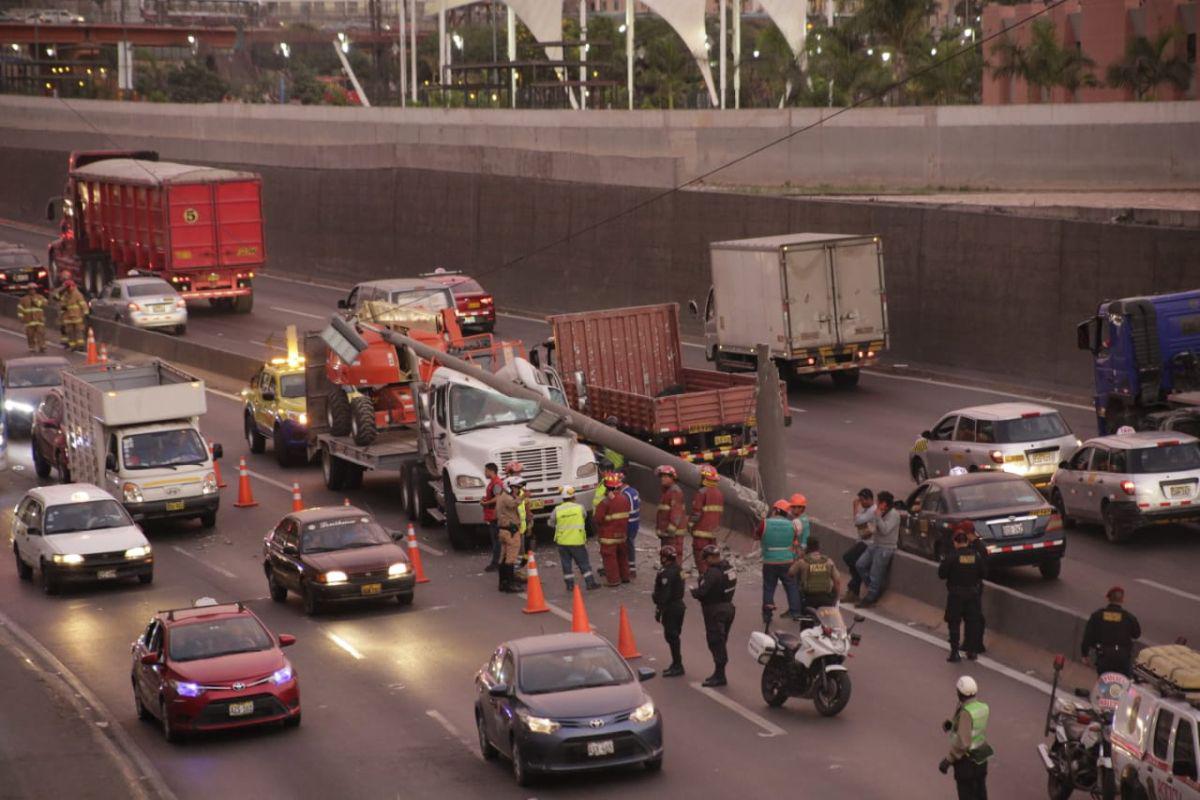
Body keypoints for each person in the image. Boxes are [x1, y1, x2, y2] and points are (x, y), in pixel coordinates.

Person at [939, 521, 988, 663]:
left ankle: (955, 653)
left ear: (955, 542)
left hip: (956, 594)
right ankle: (972, 651)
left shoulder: (952, 556)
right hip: (973, 594)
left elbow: (942, 574)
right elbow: (984, 573)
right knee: (972, 622)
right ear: (966, 541)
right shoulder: (976, 556)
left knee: (954, 623)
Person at [938, 675, 993, 800]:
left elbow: (963, 742)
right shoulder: (982, 707)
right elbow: (972, 726)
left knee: (967, 795)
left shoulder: (966, 713)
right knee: (981, 793)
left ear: (960, 693)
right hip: (981, 759)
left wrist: (948, 760)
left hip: (967, 764)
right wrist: (952, 724)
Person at [692, 543, 737, 687]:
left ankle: (720, 675)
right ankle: (718, 673)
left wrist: (694, 591)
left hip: (716, 610)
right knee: (721, 641)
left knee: (716, 642)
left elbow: (702, 592)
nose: (705, 562)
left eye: (706, 559)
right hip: (728, 608)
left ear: (710, 558)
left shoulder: (713, 573)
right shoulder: (729, 568)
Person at [1081, 586, 1142, 676]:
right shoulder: (1128, 617)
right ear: (1122, 600)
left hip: (1104, 658)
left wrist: (1084, 654)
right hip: (1122, 658)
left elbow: (1088, 637)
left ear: (1109, 599)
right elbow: (1137, 634)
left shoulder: (1097, 615)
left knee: (1104, 680)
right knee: (1124, 680)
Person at [855, 490, 899, 609]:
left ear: (884, 504)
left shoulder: (894, 515)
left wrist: (878, 517)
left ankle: (871, 597)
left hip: (886, 547)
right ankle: (874, 588)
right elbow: (874, 527)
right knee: (860, 565)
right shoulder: (879, 512)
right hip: (875, 544)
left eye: (878, 502)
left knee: (875, 572)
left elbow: (885, 530)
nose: (877, 504)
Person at [760, 500, 803, 619]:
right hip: (787, 561)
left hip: (769, 561)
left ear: (776, 510)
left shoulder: (765, 523)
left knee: (769, 587)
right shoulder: (792, 525)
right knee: (791, 586)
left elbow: (757, 535)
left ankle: (767, 614)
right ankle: (795, 612)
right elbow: (794, 540)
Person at [551, 486, 598, 591]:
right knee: (583, 563)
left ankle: (569, 585)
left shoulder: (557, 510)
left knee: (566, 564)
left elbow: (551, 523)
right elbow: (584, 517)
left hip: (562, 542)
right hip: (577, 541)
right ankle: (590, 583)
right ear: (573, 496)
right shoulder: (580, 508)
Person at [652, 545, 686, 677]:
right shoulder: (680, 569)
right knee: (674, 635)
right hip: (679, 606)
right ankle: (676, 663)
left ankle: (678, 665)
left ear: (665, 558)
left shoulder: (666, 573)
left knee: (671, 636)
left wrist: (658, 608)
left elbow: (664, 594)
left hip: (671, 607)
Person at [594, 471, 632, 587]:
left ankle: (614, 580)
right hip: (622, 534)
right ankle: (625, 577)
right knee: (622, 556)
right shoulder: (625, 499)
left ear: (607, 487)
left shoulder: (605, 502)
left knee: (609, 558)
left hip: (608, 536)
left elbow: (598, 519)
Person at [788, 536, 843, 611]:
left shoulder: (802, 562)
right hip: (826, 600)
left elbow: (790, 573)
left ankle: (794, 610)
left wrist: (799, 557)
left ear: (807, 547)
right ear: (819, 547)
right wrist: (836, 599)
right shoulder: (828, 561)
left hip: (808, 599)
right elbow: (837, 581)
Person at [688, 464, 724, 575]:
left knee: (701, 559)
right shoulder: (719, 494)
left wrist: (690, 525)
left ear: (704, 477)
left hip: (701, 534)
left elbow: (696, 513)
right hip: (713, 534)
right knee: (713, 559)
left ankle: (704, 580)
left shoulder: (702, 492)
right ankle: (713, 580)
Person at [842, 488, 875, 603]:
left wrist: (855, 507)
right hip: (862, 541)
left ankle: (854, 588)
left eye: (862, 500)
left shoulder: (872, 510)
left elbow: (857, 521)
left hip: (868, 543)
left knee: (848, 558)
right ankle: (853, 590)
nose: (861, 503)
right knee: (852, 562)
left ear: (869, 499)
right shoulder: (867, 510)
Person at [495, 477, 524, 593]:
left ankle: (503, 583)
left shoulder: (502, 496)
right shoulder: (506, 498)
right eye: (516, 488)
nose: (518, 490)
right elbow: (513, 504)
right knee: (510, 558)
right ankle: (509, 584)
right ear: (509, 487)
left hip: (504, 531)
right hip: (510, 531)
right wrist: (522, 497)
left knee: (504, 557)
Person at [654, 465, 687, 557]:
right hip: (667, 534)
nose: (662, 479)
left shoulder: (674, 491)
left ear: (673, 478)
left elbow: (676, 514)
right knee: (666, 557)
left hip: (672, 535)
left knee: (672, 558)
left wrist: (670, 532)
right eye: (662, 477)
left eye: (665, 477)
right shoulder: (667, 491)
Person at [479, 462, 503, 572]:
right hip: (492, 514)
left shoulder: (496, 483)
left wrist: (486, 503)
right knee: (496, 540)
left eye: (486, 471)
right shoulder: (493, 483)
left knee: (497, 541)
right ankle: (497, 562)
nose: (485, 473)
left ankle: (495, 563)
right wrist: (485, 499)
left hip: (495, 515)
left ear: (491, 471)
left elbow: (498, 498)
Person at [618, 474, 641, 579]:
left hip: (628, 523)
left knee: (627, 546)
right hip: (635, 522)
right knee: (630, 544)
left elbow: (625, 511)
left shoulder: (625, 494)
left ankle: (629, 569)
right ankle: (631, 568)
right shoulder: (634, 491)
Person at [57, 279, 87, 352]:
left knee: (78, 331)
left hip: (77, 316)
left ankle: (81, 346)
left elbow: (83, 304)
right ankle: (73, 346)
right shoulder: (65, 294)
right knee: (70, 332)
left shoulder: (77, 294)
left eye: (68, 287)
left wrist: (86, 313)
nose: (67, 289)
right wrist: (62, 305)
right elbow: (60, 301)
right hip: (67, 317)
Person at [17, 283, 47, 354]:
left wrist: (36, 301)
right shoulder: (23, 299)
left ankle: (42, 346)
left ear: (36, 290)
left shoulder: (40, 297)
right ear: (28, 290)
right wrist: (21, 316)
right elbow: (20, 308)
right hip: (29, 321)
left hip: (39, 320)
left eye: (33, 289)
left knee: (41, 333)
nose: (32, 291)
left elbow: (45, 303)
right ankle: (32, 347)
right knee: (30, 335)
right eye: (30, 289)